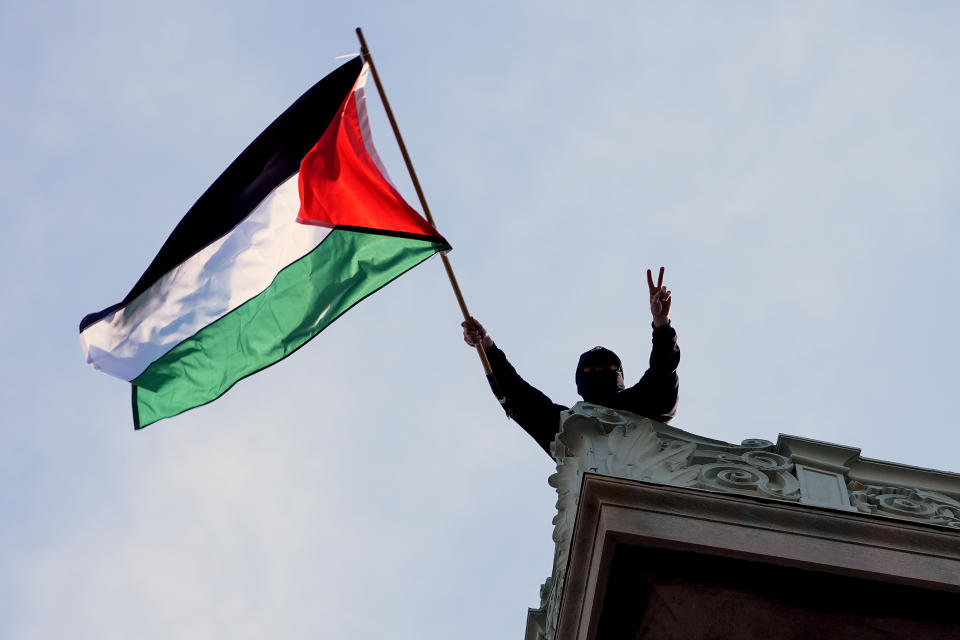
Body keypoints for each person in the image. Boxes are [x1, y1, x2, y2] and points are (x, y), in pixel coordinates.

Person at [462, 267, 680, 457]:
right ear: (580, 382)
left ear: (619, 374)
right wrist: (488, 346)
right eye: (592, 369)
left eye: (607, 367)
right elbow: (518, 396)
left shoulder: (640, 404)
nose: (600, 371)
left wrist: (661, 324)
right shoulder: (570, 427)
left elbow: (662, 372)